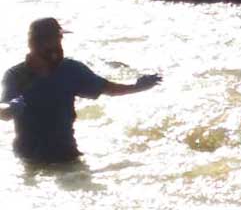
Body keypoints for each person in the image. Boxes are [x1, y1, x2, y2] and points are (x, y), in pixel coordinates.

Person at [0, 18, 162, 163]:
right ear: (35, 44)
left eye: (59, 40)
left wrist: (137, 87)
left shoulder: (71, 70)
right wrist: (10, 109)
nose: (58, 46)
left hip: (66, 154)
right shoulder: (16, 75)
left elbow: (108, 88)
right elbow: (3, 111)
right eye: (54, 40)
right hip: (29, 158)